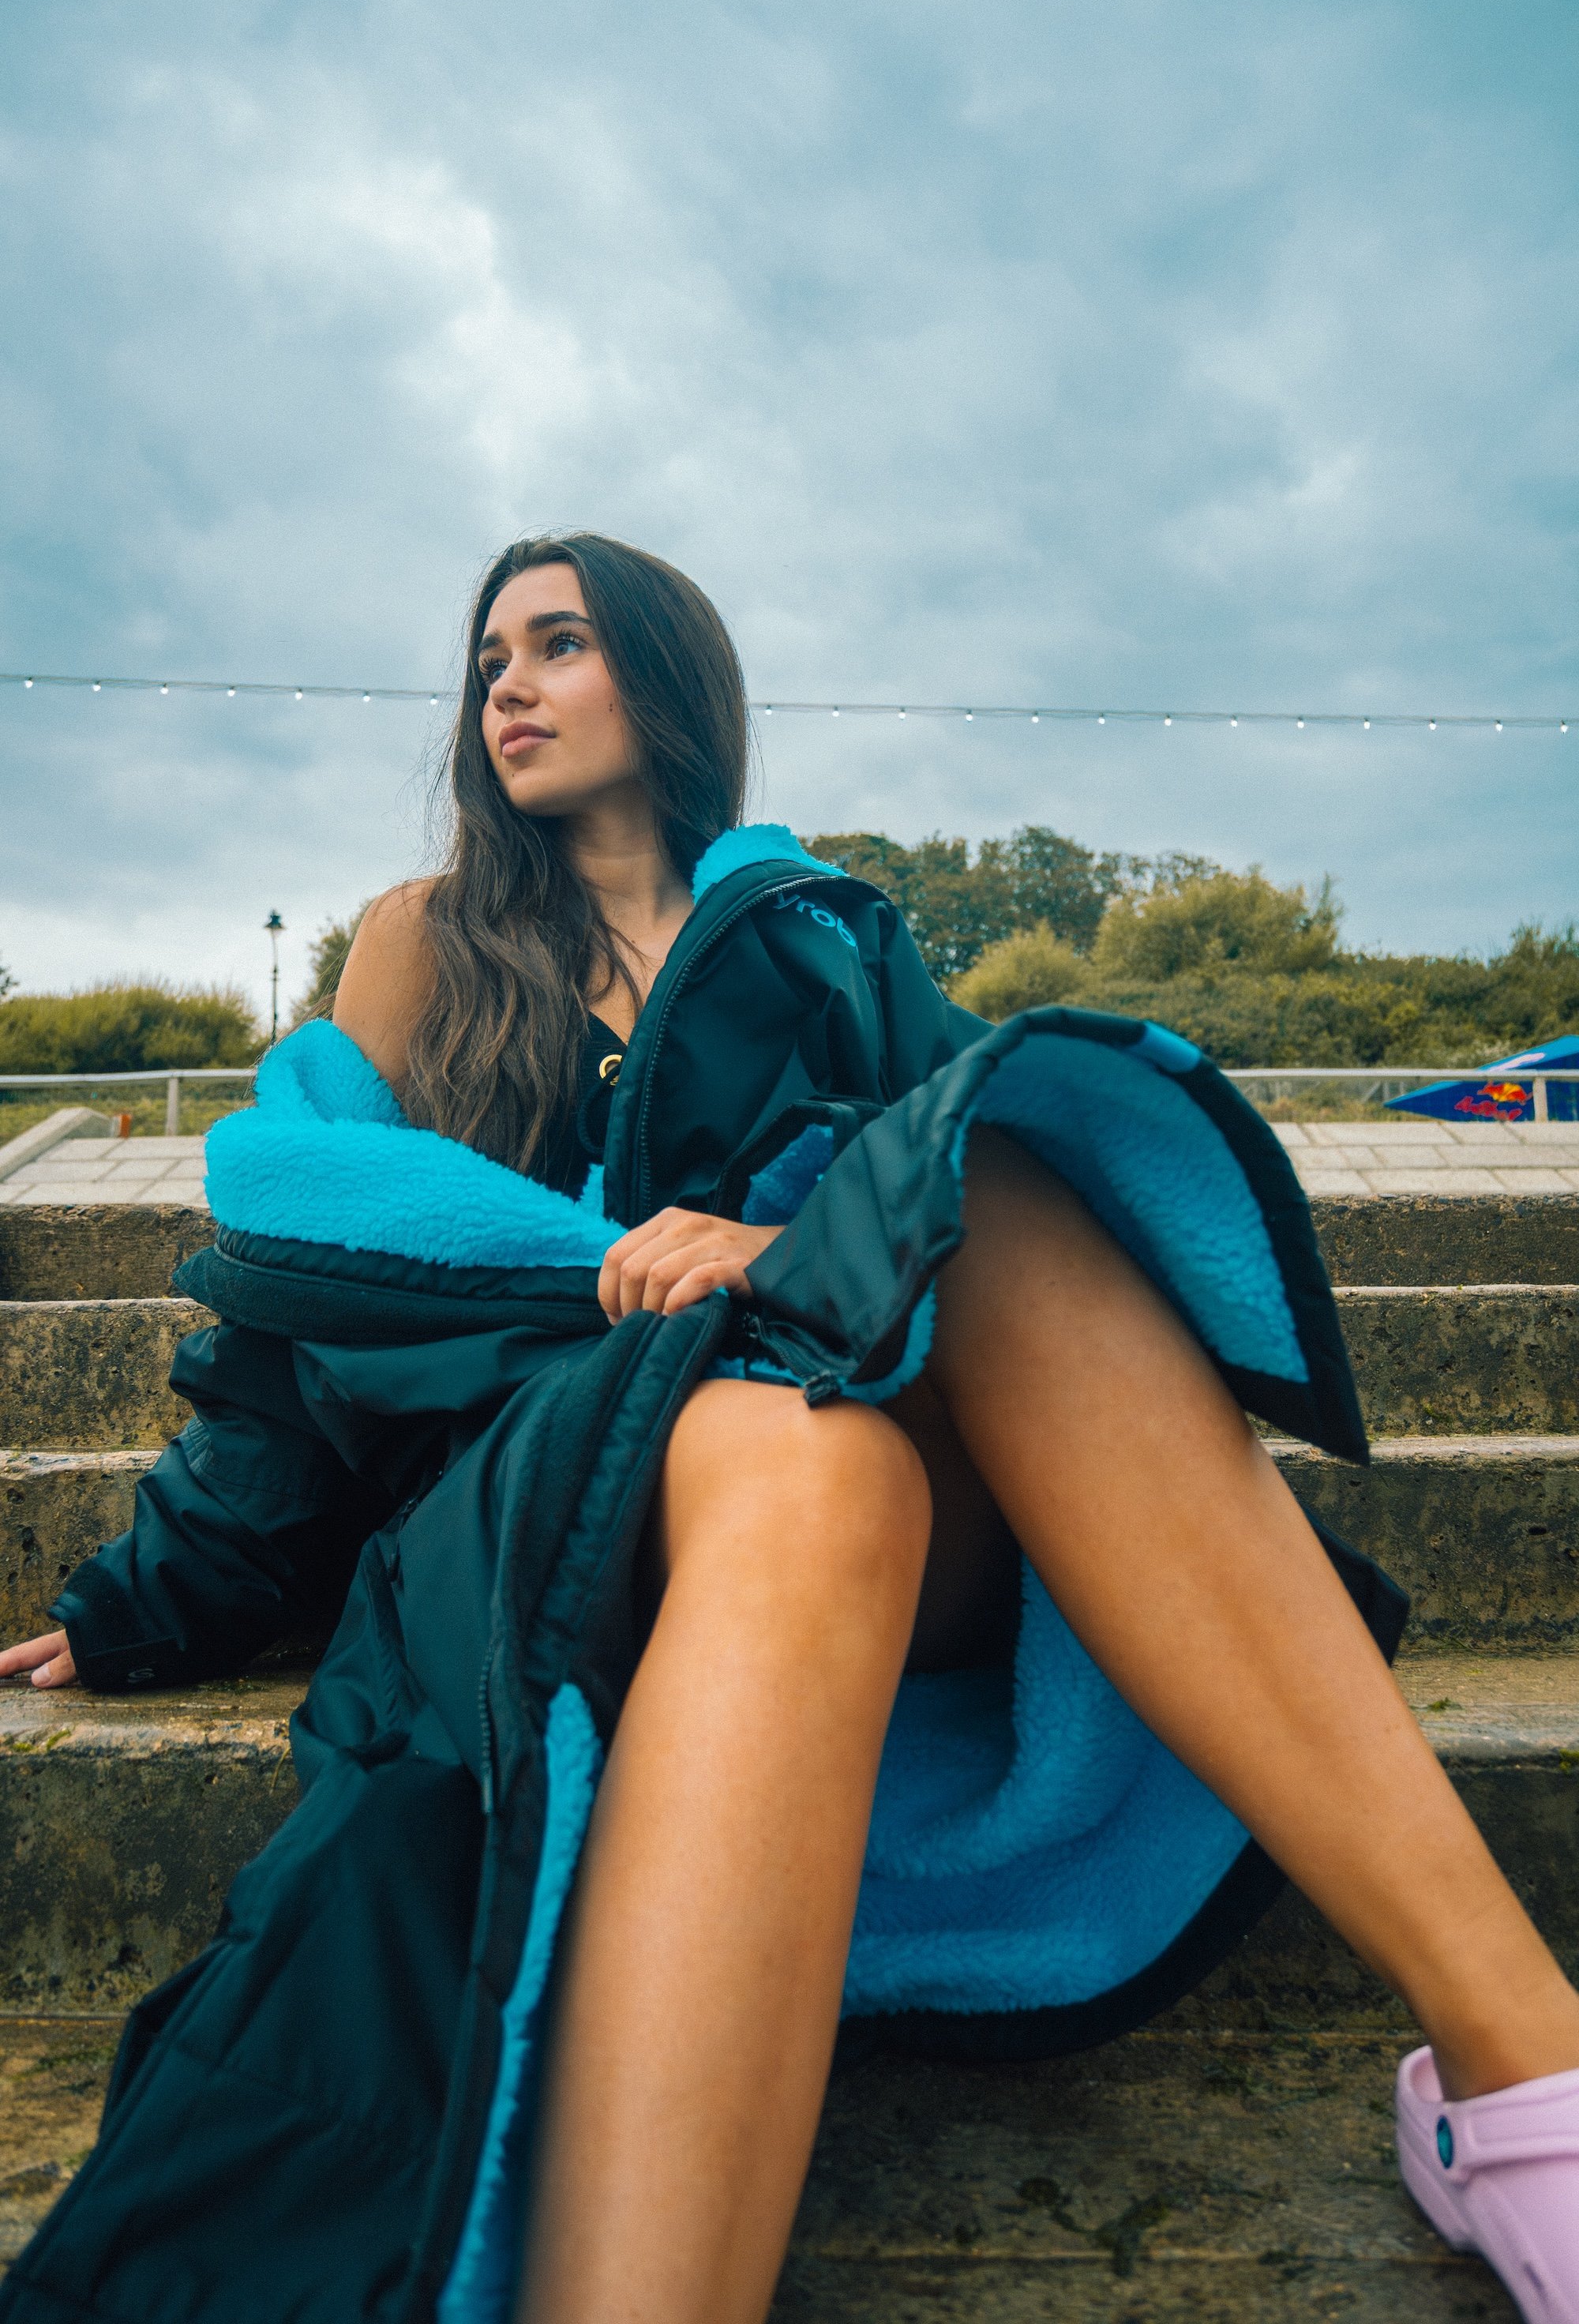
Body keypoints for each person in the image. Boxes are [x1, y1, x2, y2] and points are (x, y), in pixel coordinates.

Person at [3, 532, 1577, 2324]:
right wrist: (154, 1594)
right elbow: (320, 1271)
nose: (507, 685)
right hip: (564, 1473)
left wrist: (780, 1253)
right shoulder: (428, 940)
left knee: (1001, 1181)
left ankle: (1526, 2080)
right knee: (806, 1460)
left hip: (855, 1436)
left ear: (667, 676)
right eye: (490, 658)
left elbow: (956, 1169)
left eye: (560, 642)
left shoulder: (816, 929)